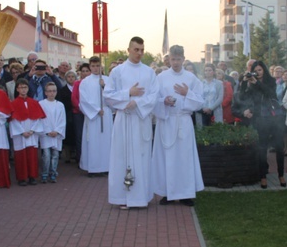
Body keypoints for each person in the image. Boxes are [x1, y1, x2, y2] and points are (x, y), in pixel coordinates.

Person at [104, 36, 159, 209]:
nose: (140, 53)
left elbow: (154, 96)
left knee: (141, 157)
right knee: (122, 157)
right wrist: (128, 93)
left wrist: (137, 102)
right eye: (136, 50)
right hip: (123, 119)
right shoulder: (117, 72)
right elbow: (108, 95)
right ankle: (123, 198)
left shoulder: (149, 72)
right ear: (128, 50)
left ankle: (140, 197)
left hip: (140, 119)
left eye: (142, 50)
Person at [151, 45, 204, 206]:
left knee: (184, 158)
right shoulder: (161, 77)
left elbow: (200, 101)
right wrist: (164, 101)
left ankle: (185, 193)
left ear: (183, 58)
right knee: (167, 158)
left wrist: (187, 93)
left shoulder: (191, 78)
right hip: (167, 121)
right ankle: (168, 193)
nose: (175, 62)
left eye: (178, 59)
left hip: (183, 122)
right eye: (172, 59)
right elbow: (154, 99)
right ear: (168, 59)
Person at [233, 60, 283, 189]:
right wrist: (244, 82)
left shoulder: (271, 81)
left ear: (264, 70)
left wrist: (257, 83)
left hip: (273, 118)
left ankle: (281, 174)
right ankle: (263, 176)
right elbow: (242, 98)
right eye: (256, 70)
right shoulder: (250, 82)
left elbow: (271, 94)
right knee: (262, 148)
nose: (258, 72)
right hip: (260, 119)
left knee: (279, 147)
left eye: (260, 70)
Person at [79, 56, 112, 177]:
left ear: (101, 66)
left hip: (106, 114)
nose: (95, 68)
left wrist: (104, 87)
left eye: (97, 66)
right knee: (93, 141)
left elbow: (113, 96)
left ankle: (105, 166)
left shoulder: (107, 80)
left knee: (106, 142)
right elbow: (84, 100)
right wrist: (97, 110)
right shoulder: (85, 82)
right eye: (93, 66)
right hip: (93, 116)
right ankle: (92, 168)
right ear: (89, 67)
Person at [10, 78, 45, 186]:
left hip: (31, 133)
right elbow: (13, 120)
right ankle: (22, 178)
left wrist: (32, 130)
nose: (23, 90)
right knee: (21, 156)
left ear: (28, 88)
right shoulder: (13, 103)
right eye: (21, 87)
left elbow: (38, 118)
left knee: (32, 156)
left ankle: (32, 176)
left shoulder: (34, 103)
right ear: (17, 89)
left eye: (25, 87)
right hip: (20, 135)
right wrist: (22, 132)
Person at [38, 82, 65, 183]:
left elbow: (62, 120)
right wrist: (47, 131)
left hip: (56, 133)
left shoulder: (60, 105)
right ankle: (44, 173)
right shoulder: (41, 104)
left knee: (55, 155)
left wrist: (57, 131)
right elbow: (40, 120)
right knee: (46, 155)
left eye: (54, 91)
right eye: (49, 91)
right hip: (46, 134)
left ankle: (53, 173)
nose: (51, 93)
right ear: (45, 92)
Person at [197, 63, 223, 128]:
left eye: (210, 70)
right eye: (206, 70)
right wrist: (203, 108)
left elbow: (220, 98)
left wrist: (211, 108)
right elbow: (197, 96)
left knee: (216, 130)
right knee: (202, 130)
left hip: (215, 110)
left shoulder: (219, 83)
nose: (207, 72)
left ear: (213, 72)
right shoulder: (200, 83)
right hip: (202, 110)